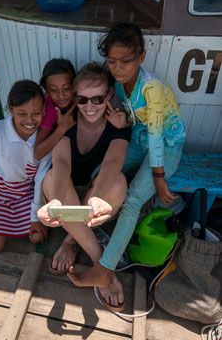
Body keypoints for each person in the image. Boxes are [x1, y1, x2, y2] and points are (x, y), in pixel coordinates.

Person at [67, 23, 186, 309]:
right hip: (142, 137)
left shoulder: (152, 88)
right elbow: (137, 119)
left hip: (166, 144)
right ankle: (89, 228)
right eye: (112, 61)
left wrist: (158, 176)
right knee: (99, 175)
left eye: (126, 61)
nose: (118, 68)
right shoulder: (118, 82)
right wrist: (125, 122)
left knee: (133, 200)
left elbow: (158, 133)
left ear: (142, 56)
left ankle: (104, 269)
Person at [37, 62, 131, 312]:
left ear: (109, 95)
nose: (90, 107)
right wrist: (55, 200)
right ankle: (101, 264)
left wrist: (98, 198)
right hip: (68, 195)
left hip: (92, 195)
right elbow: (61, 161)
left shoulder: (118, 124)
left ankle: (70, 241)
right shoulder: (67, 120)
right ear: (74, 98)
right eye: (82, 99)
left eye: (98, 99)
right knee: (51, 179)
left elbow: (113, 162)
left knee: (119, 181)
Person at [0, 80, 52, 252]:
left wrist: (35, 215)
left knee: (37, 238)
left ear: (44, 110)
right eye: (22, 113)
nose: (29, 120)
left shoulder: (44, 139)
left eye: (36, 113)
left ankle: (23, 220)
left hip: (25, 193)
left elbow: (40, 177)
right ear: (11, 109)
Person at [34, 58, 76, 161]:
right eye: (53, 90)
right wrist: (62, 128)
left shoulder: (78, 96)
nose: (61, 96)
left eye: (66, 88)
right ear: (46, 89)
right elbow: (37, 154)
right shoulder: (49, 108)